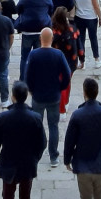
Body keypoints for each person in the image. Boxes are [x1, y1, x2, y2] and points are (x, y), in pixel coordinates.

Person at [23, 27, 71, 166]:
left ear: (40, 39)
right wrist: (60, 87)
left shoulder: (34, 55)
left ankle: (36, 153)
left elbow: (27, 75)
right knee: (53, 126)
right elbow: (67, 74)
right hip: (54, 96)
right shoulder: (58, 54)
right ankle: (53, 156)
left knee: (37, 126)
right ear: (52, 39)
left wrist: (31, 89)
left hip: (38, 96)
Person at [15, 0, 54, 78]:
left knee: (24, 57)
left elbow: (18, 9)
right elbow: (51, 10)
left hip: (27, 31)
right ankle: (38, 78)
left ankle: (22, 79)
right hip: (41, 31)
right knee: (39, 57)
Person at [70, 0, 101, 67]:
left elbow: (73, 1)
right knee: (93, 38)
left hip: (79, 16)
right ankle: (97, 59)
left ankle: (82, 62)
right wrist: (100, 17)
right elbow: (96, 5)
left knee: (81, 39)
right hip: (91, 17)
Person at [51, 7, 81, 113]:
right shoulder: (73, 30)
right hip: (71, 62)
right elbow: (79, 46)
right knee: (66, 83)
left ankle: (61, 103)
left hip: (56, 62)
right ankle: (64, 104)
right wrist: (82, 59)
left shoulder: (52, 32)